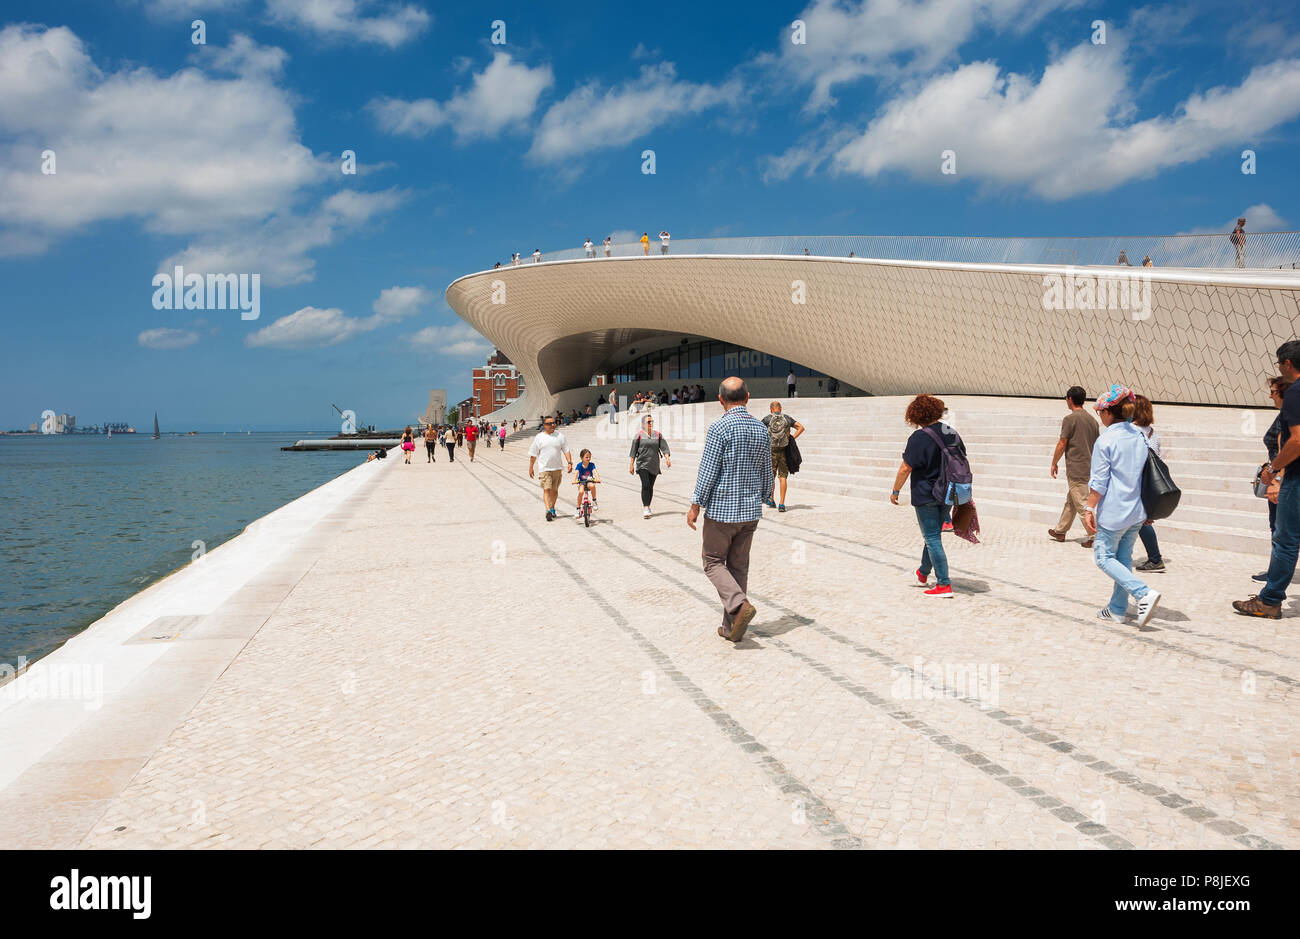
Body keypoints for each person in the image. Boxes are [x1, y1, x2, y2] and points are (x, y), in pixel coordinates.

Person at [687, 378, 773, 643]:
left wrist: (695, 505)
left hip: (722, 512)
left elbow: (708, 470)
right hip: (750, 512)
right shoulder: (761, 428)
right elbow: (767, 472)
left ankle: (738, 603)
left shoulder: (719, 428)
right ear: (747, 397)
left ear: (720, 399)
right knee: (739, 567)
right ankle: (731, 627)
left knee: (712, 562)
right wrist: (765, 496)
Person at [1084, 384, 1162, 625]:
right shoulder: (1140, 435)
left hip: (1116, 511)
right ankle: (1117, 608)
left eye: (1100, 412)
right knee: (1123, 557)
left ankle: (1142, 593)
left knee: (1104, 557)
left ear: (1108, 413)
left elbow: (1099, 482)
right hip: (1137, 510)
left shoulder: (1106, 440)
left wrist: (1089, 508)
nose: (1100, 416)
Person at [1236, 340, 1300, 617]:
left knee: (1285, 540)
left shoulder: (1296, 392)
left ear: (1287, 364)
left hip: (1297, 478)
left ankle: (1270, 601)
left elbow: (1297, 441)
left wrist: (1274, 470)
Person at [891, 395, 961, 597]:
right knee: (933, 535)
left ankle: (943, 584)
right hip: (949, 491)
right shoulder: (950, 432)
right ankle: (923, 573)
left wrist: (895, 491)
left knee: (931, 537)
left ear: (916, 414)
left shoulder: (919, 437)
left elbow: (906, 468)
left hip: (926, 493)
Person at [1048, 386, 1100, 546]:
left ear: (1069, 399)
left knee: (1083, 503)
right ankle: (1060, 531)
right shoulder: (1092, 420)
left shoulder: (1070, 419)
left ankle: (1095, 537)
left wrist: (1054, 462)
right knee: (1072, 500)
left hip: (1077, 468)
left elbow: (1062, 443)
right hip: (1090, 466)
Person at [1253, 375, 1293, 581]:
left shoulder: (1288, 417)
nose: (1270, 395)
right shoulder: (1286, 415)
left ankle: (1275, 577)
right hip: (1284, 477)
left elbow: (1285, 450)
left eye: (1274, 391)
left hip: (1285, 480)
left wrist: (1276, 479)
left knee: (1280, 530)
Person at [1132, 395, 1166, 572]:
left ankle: (1155, 558)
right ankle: (1154, 558)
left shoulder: (1131, 431)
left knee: (1141, 521)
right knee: (1141, 521)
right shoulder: (1154, 434)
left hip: (1135, 482)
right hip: (1149, 483)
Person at [528, 416, 573, 522]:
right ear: (544, 426)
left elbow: (566, 450)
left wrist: (569, 462)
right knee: (547, 489)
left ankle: (552, 508)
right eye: (549, 423)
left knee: (555, 491)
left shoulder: (560, 436)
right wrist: (531, 467)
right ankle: (548, 510)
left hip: (557, 468)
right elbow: (533, 454)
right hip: (544, 469)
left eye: (554, 423)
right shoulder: (539, 437)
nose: (552, 425)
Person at [762, 401, 804, 512]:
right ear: (780, 408)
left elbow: (759, 431)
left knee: (771, 476)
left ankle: (771, 499)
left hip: (771, 451)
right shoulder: (787, 418)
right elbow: (801, 427)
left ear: (771, 409)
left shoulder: (767, 419)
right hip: (784, 451)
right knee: (783, 477)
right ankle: (782, 503)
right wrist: (792, 438)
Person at [629, 414, 672, 518]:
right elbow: (633, 451)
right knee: (646, 485)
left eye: (651, 421)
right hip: (642, 464)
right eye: (648, 422)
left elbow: (664, 447)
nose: (651, 423)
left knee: (650, 487)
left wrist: (667, 458)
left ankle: (648, 506)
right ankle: (646, 507)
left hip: (654, 464)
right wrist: (631, 465)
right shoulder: (638, 435)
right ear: (643, 424)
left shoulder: (657, 435)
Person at [573, 449, 600, 518]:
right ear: (581, 458)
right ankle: (578, 509)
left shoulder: (591, 465)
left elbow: (595, 472)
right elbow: (576, 473)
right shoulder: (579, 465)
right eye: (586, 457)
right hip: (581, 482)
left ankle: (594, 500)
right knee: (581, 492)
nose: (588, 459)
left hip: (589, 481)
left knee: (592, 485)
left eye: (589, 457)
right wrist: (574, 480)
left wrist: (597, 478)